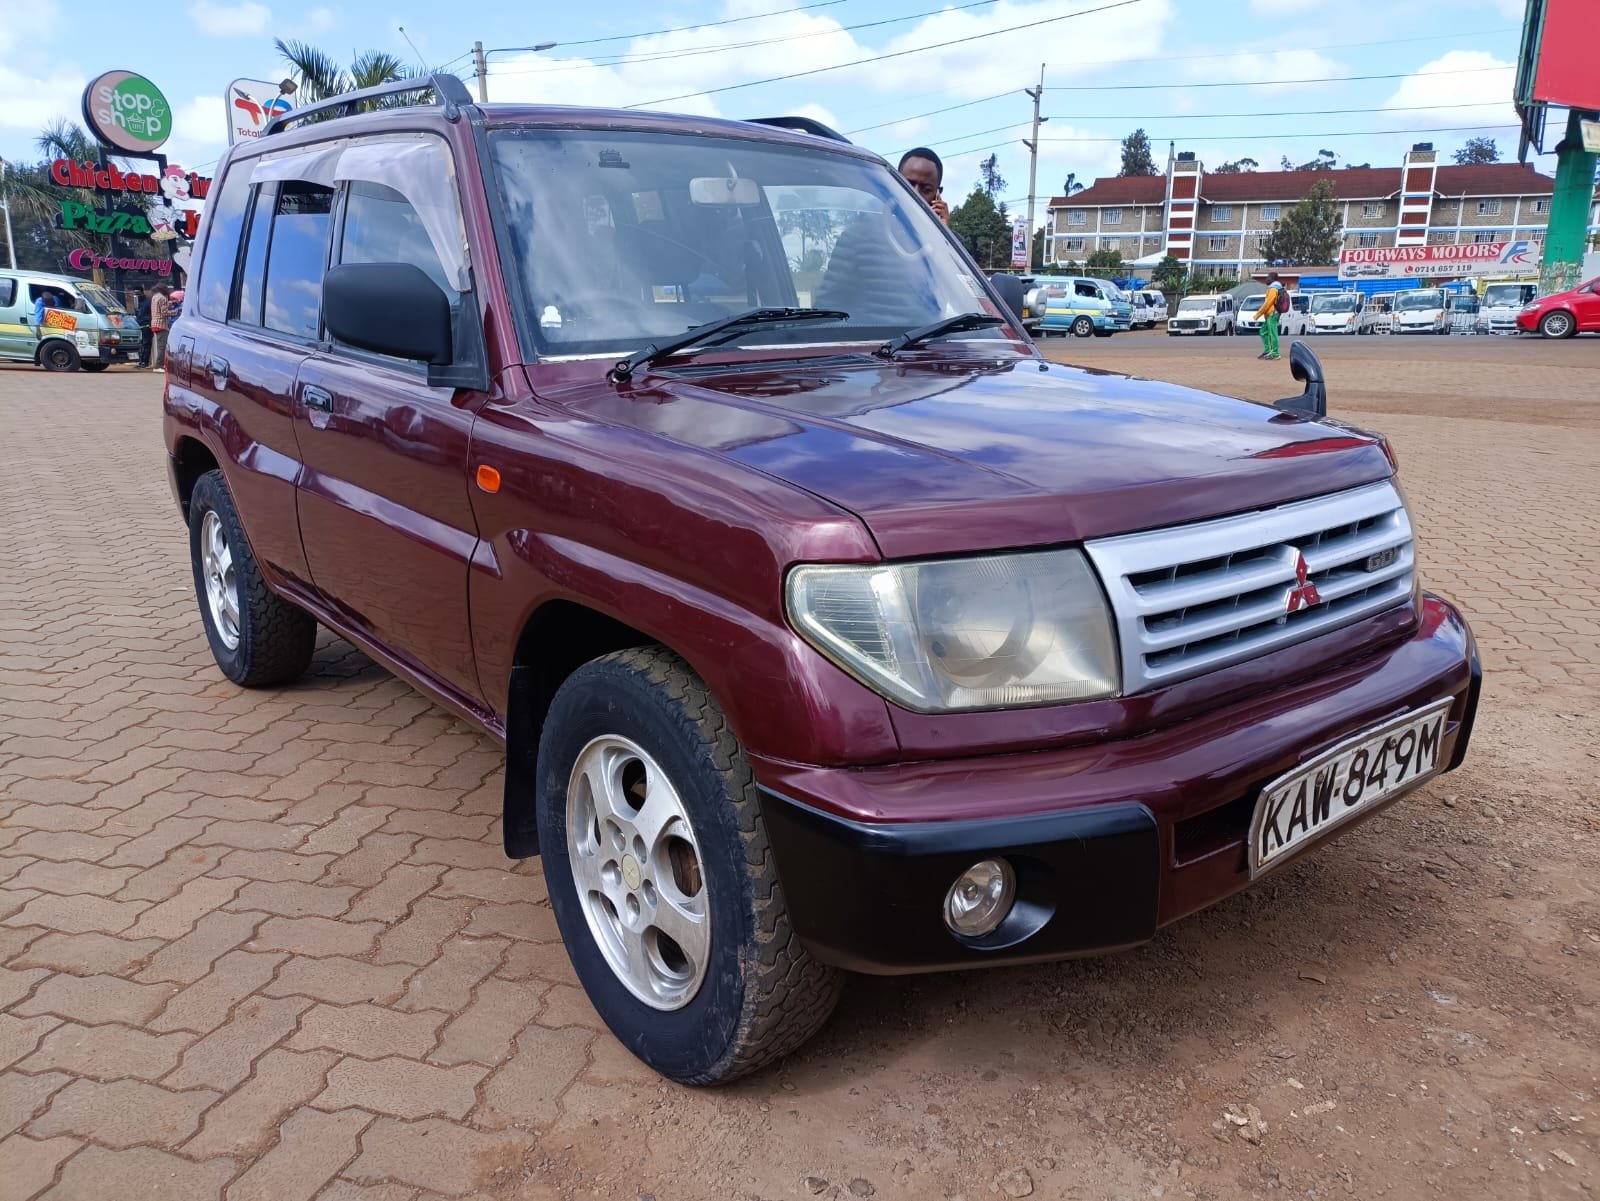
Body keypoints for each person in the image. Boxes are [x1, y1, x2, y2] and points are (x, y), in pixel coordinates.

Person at [897, 148, 949, 225]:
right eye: (907, 185)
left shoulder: (947, 235)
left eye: (926, 190)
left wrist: (942, 229)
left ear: (937, 195)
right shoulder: (874, 223)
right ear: (895, 182)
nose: (915, 194)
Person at [1254, 272, 1286, 361]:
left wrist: (1258, 314)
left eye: (1268, 277)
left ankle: (1275, 354)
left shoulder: (1273, 289)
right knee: (1263, 331)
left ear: (1272, 278)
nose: (1266, 279)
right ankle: (1268, 351)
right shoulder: (1276, 287)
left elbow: (1268, 303)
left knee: (1272, 334)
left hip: (1273, 314)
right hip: (1271, 314)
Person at [148, 285, 172, 372]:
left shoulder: (154, 297)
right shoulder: (163, 298)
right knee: (162, 346)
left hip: (154, 323)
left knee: (160, 346)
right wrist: (176, 312)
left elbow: (158, 309)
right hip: (161, 325)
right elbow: (165, 313)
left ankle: (160, 365)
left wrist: (169, 304)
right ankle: (159, 366)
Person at [133, 287, 152, 368]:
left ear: (142, 292)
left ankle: (145, 361)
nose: (137, 295)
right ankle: (140, 360)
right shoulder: (136, 302)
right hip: (138, 326)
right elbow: (137, 313)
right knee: (140, 344)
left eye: (138, 293)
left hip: (146, 325)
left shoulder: (148, 301)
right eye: (135, 294)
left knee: (146, 344)